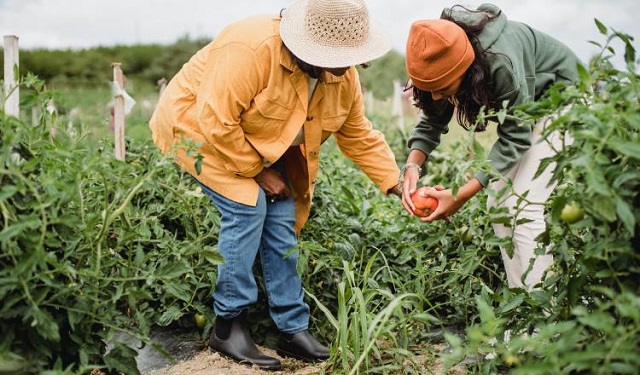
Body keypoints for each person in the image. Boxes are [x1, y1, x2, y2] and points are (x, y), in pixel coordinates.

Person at [149, 0, 401, 369]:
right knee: (247, 205)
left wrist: (396, 184)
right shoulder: (251, 49)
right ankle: (228, 325)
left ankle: (292, 329)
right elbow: (216, 121)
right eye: (336, 57)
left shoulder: (341, 75)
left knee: (282, 215)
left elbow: (357, 133)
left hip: (260, 139)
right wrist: (258, 171)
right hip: (197, 130)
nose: (344, 67)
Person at [399, 3, 581, 290]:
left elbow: (515, 137)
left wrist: (459, 195)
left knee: (524, 204)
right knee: (497, 203)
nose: (436, 95)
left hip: (566, 100)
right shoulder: (438, 52)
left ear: (467, 70)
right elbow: (432, 121)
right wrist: (412, 165)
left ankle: (543, 319)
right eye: (429, 87)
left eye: (443, 87)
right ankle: (521, 306)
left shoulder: (499, 62)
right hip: (533, 110)